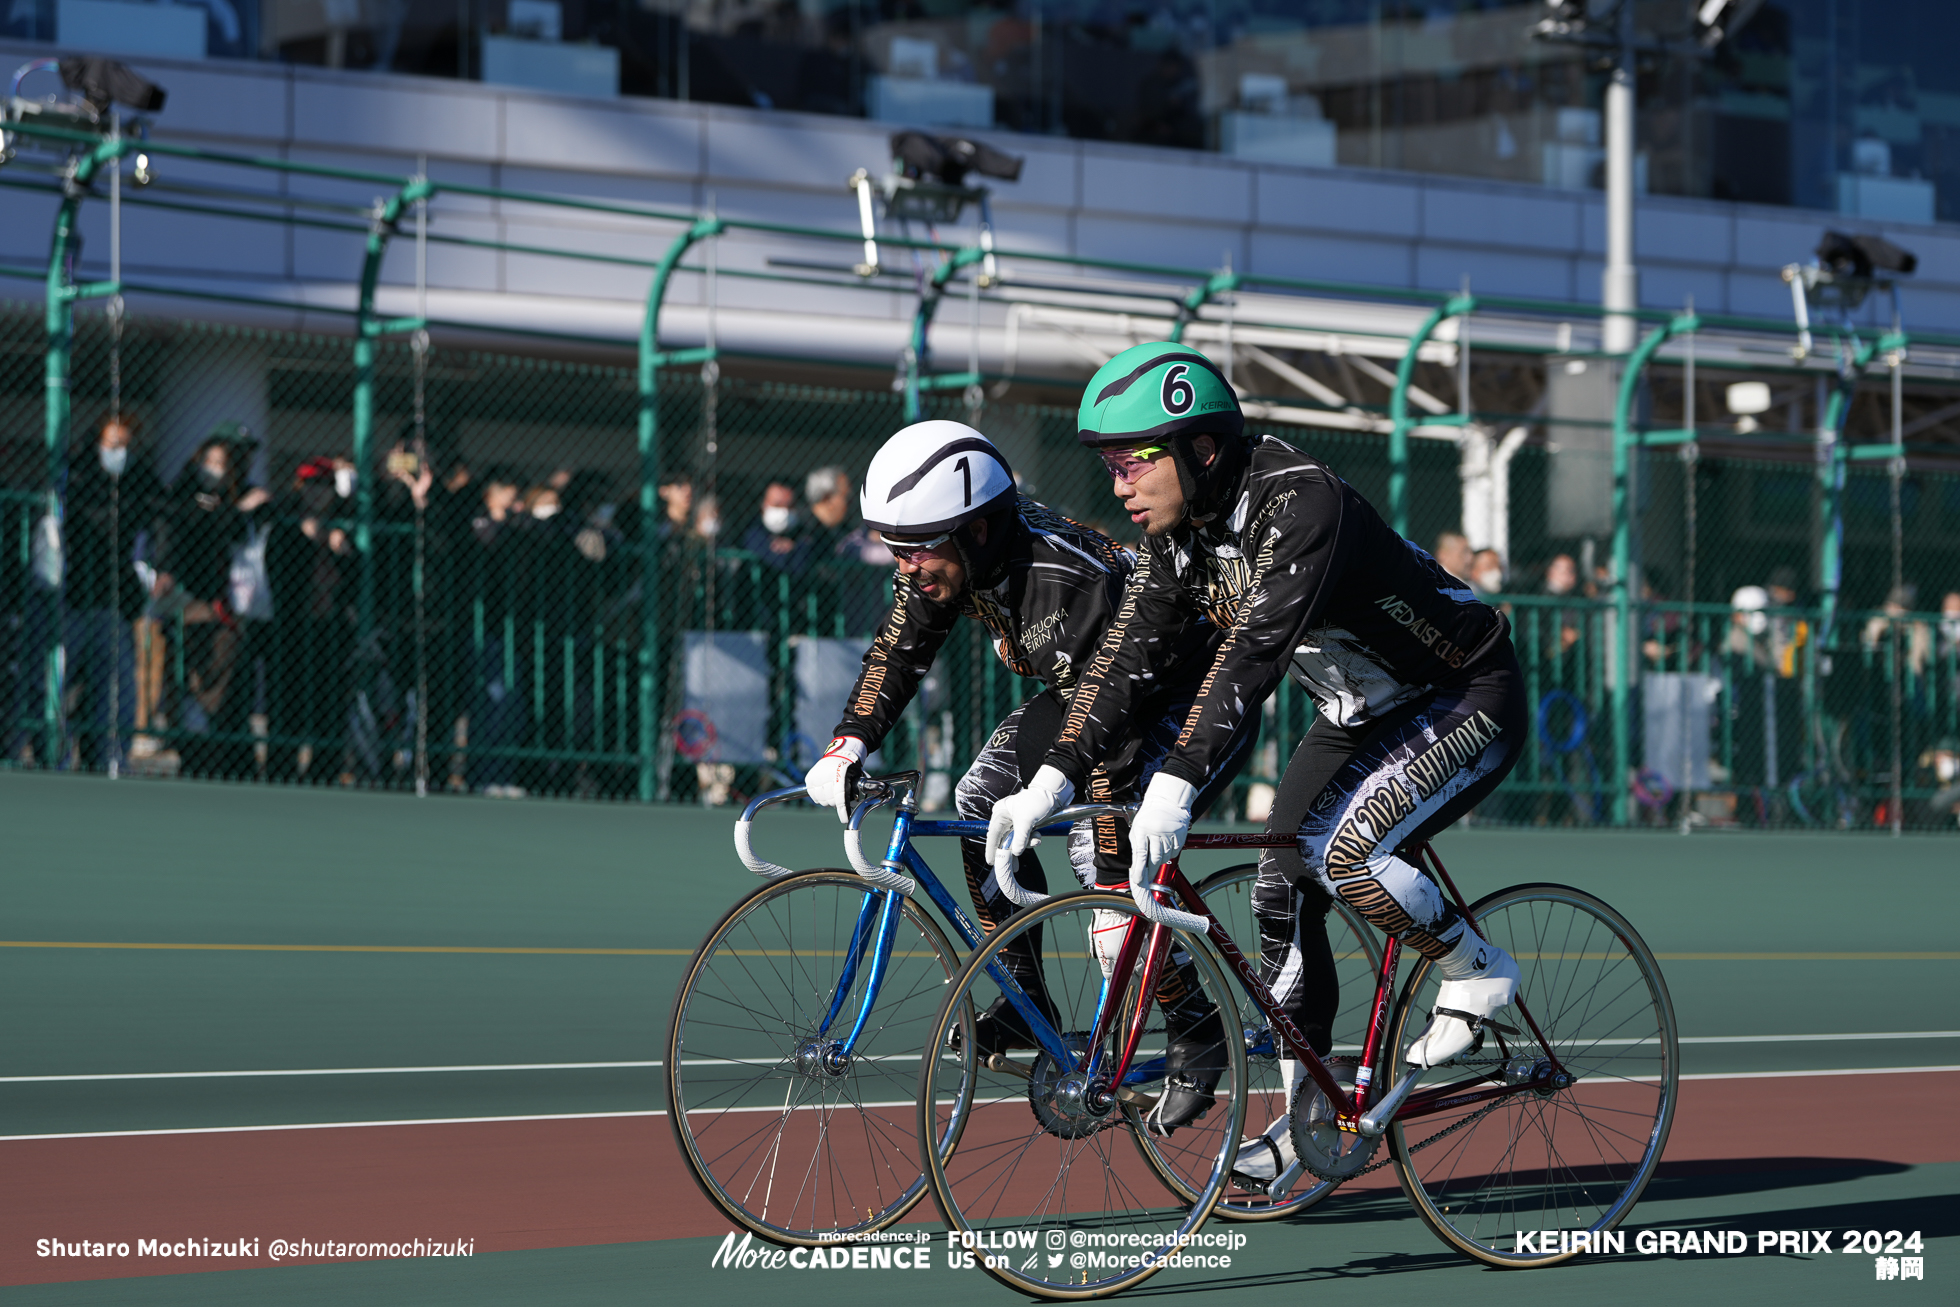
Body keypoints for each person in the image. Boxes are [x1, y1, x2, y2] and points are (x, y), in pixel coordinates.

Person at [986, 342, 1528, 1183]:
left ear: (1201, 450)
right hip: (1357, 712)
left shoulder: (1301, 502)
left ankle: (1477, 969)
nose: (1118, 482)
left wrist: (1175, 781)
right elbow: (1124, 662)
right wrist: (1049, 780)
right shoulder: (1182, 532)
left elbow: (1252, 654)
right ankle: (1311, 1117)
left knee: (1347, 855)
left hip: (1464, 691)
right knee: (1279, 884)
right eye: (1109, 464)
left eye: (1132, 461)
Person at [802, 420, 1249, 1132]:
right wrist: (849, 741)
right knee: (982, 799)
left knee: (1106, 876)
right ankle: (1023, 994)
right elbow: (899, 649)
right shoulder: (952, 555)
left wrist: (1103, 862)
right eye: (894, 548)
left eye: (915, 548)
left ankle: (1197, 1026)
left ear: (976, 529)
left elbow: (1115, 727)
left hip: (1176, 701)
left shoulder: (1063, 580)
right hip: (1085, 696)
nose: (904, 567)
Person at [152, 425, 270, 779]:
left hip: (231, 609)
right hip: (193, 606)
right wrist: (237, 511)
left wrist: (249, 507)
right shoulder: (188, 493)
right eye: (223, 457)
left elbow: (258, 520)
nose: (236, 463)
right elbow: (203, 527)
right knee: (193, 689)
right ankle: (197, 761)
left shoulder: (245, 493)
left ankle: (232, 768)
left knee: (230, 693)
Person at [62, 416, 162, 770]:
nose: (118, 452)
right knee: (61, 681)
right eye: (112, 444)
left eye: (125, 446)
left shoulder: (139, 480)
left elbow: (159, 515)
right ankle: (55, 753)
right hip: (72, 600)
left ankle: (108, 757)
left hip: (115, 602)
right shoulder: (77, 476)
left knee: (114, 687)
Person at [739, 481, 813, 574]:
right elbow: (784, 562)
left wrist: (795, 547)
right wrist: (796, 550)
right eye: (777, 505)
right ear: (763, 505)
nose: (784, 511)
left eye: (789, 506)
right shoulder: (753, 531)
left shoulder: (803, 531)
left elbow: (806, 560)